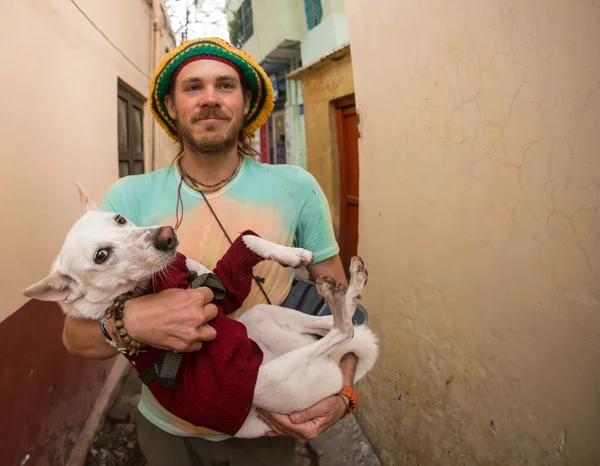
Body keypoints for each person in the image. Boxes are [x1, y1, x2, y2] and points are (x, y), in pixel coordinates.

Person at [62, 37, 359, 466]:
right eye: (193, 87)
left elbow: (341, 302)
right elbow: (74, 337)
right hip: (167, 429)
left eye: (225, 85)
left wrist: (345, 392)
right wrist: (134, 321)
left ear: (246, 100)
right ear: (170, 105)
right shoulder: (126, 202)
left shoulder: (296, 188)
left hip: (267, 425)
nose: (210, 99)